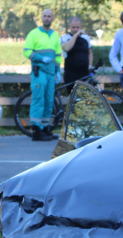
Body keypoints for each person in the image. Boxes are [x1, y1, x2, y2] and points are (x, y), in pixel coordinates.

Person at [23, 9, 62, 141]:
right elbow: (27, 52)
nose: (46, 18)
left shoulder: (55, 35)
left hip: (51, 72)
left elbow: (57, 55)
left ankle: (45, 128)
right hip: (39, 71)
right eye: (44, 16)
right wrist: (40, 58)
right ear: (41, 18)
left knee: (49, 100)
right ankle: (36, 130)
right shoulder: (33, 34)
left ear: (52, 19)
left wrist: (58, 70)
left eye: (49, 16)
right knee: (39, 99)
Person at [60, 16, 93, 93]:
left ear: (81, 27)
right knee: (73, 98)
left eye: (78, 27)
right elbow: (67, 48)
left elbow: (90, 53)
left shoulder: (86, 38)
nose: (75, 29)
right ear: (69, 27)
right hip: (71, 74)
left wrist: (90, 65)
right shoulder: (64, 38)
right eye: (73, 27)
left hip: (84, 73)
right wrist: (76, 35)